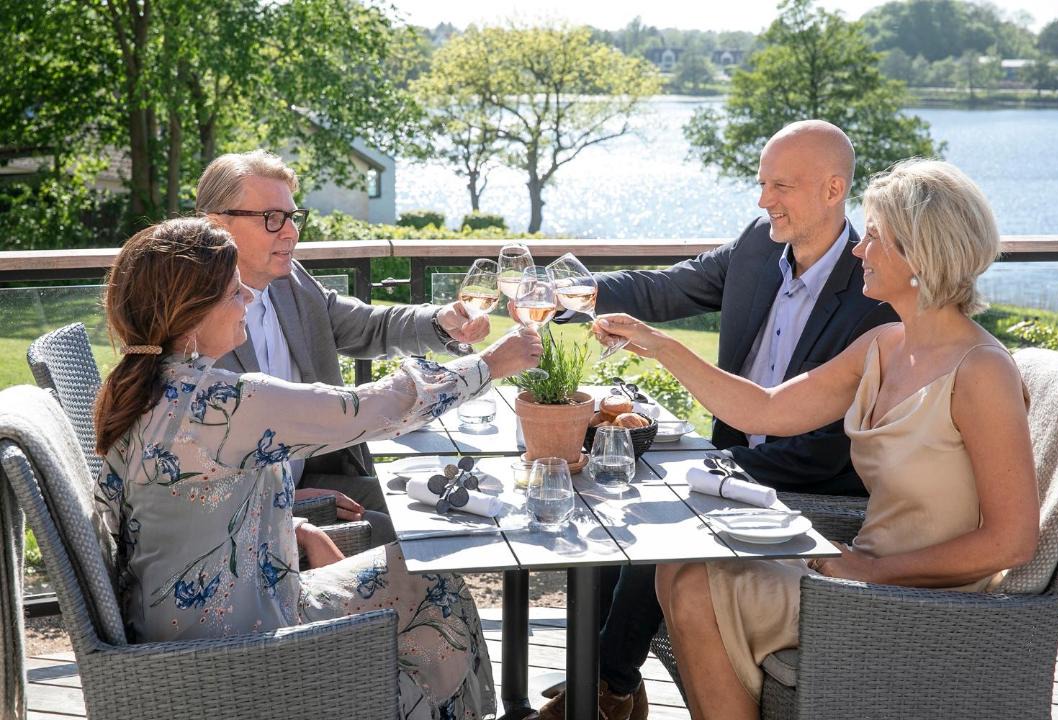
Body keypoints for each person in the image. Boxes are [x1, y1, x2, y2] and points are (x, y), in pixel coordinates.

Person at [594, 158, 1040, 719]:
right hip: (856, 569)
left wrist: (871, 571)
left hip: (924, 601)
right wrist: (660, 345)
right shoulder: (884, 343)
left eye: (873, 238)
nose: (858, 252)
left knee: (692, 586)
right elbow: (767, 408)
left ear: (919, 254)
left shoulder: (982, 371)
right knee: (679, 564)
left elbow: (1011, 543)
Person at [92, 216, 542, 720]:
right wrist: (490, 365)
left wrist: (292, 520)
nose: (247, 297)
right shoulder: (221, 403)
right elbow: (367, 408)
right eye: (232, 291)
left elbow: (177, 505)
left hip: (185, 627)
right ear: (189, 312)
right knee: (437, 588)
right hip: (237, 653)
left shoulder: (139, 387)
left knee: (424, 576)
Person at [541, 120, 896, 720]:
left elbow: (826, 450)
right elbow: (663, 290)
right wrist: (568, 295)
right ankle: (606, 680)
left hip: (809, 478)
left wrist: (709, 469)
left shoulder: (874, 295)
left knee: (660, 507)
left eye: (780, 185)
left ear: (833, 190)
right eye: (762, 184)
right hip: (734, 453)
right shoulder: (759, 244)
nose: (763, 200)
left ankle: (606, 688)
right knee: (612, 488)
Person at [195, 149, 486, 542]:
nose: (291, 232)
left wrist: (440, 322)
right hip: (242, 514)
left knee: (445, 511)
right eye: (272, 218)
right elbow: (192, 471)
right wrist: (286, 499)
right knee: (403, 539)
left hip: (308, 475)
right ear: (217, 225)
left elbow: (366, 326)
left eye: (293, 217)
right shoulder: (192, 320)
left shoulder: (288, 281)